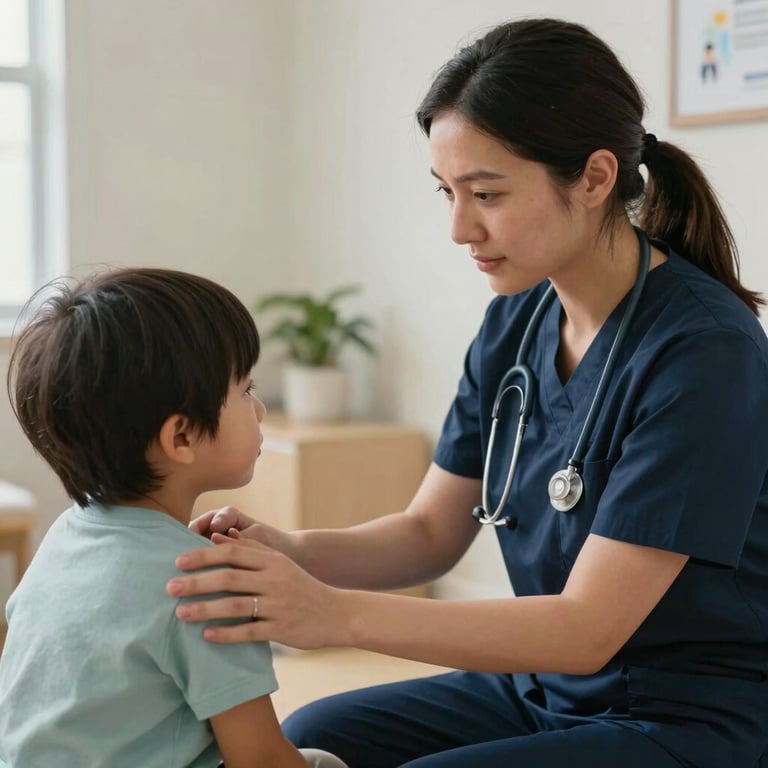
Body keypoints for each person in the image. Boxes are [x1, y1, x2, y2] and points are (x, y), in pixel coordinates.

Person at [167, 18, 768, 768]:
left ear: (594, 178)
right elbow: (430, 534)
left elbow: (588, 630)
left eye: (485, 193)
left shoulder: (703, 352)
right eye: (447, 191)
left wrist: (336, 617)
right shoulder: (515, 321)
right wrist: (289, 552)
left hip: (679, 716)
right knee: (313, 735)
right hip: (540, 688)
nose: (458, 227)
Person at [0, 268, 347, 768]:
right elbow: (262, 760)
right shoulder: (203, 583)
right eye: (246, 389)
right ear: (181, 437)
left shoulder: (66, 535)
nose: (262, 409)